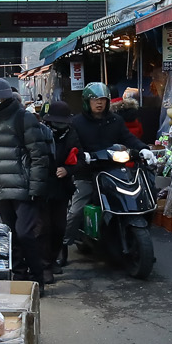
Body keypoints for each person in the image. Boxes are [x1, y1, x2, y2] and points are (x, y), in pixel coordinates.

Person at [0, 76, 53, 285]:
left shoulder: (24, 118)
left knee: (25, 234)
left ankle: (37, 277)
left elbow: (39, 157)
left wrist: (36, 189)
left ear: (2, 99)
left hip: (24, 190)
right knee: (12, 236)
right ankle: (20, 277)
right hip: (4, 190)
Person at [65, 82, 132, 249]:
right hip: (86, 173)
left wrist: (144, 150)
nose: (99, 103)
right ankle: (63, 245)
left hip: (112, 172)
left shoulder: (116, 120)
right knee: (76, 210)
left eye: (102, 99)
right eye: (95, 99)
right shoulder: (76, 122)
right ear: (87, 101)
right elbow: (73, 145)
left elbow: (128, 138)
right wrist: (83, 155)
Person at [43, 92, 77, 272]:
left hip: (62, 188)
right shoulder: (41, 132)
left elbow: (79, 158)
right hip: (43, 186)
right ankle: (45, 266)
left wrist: (68, 170)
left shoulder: (72, 134)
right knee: (44, 228)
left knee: (59, 227)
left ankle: (53, 259)